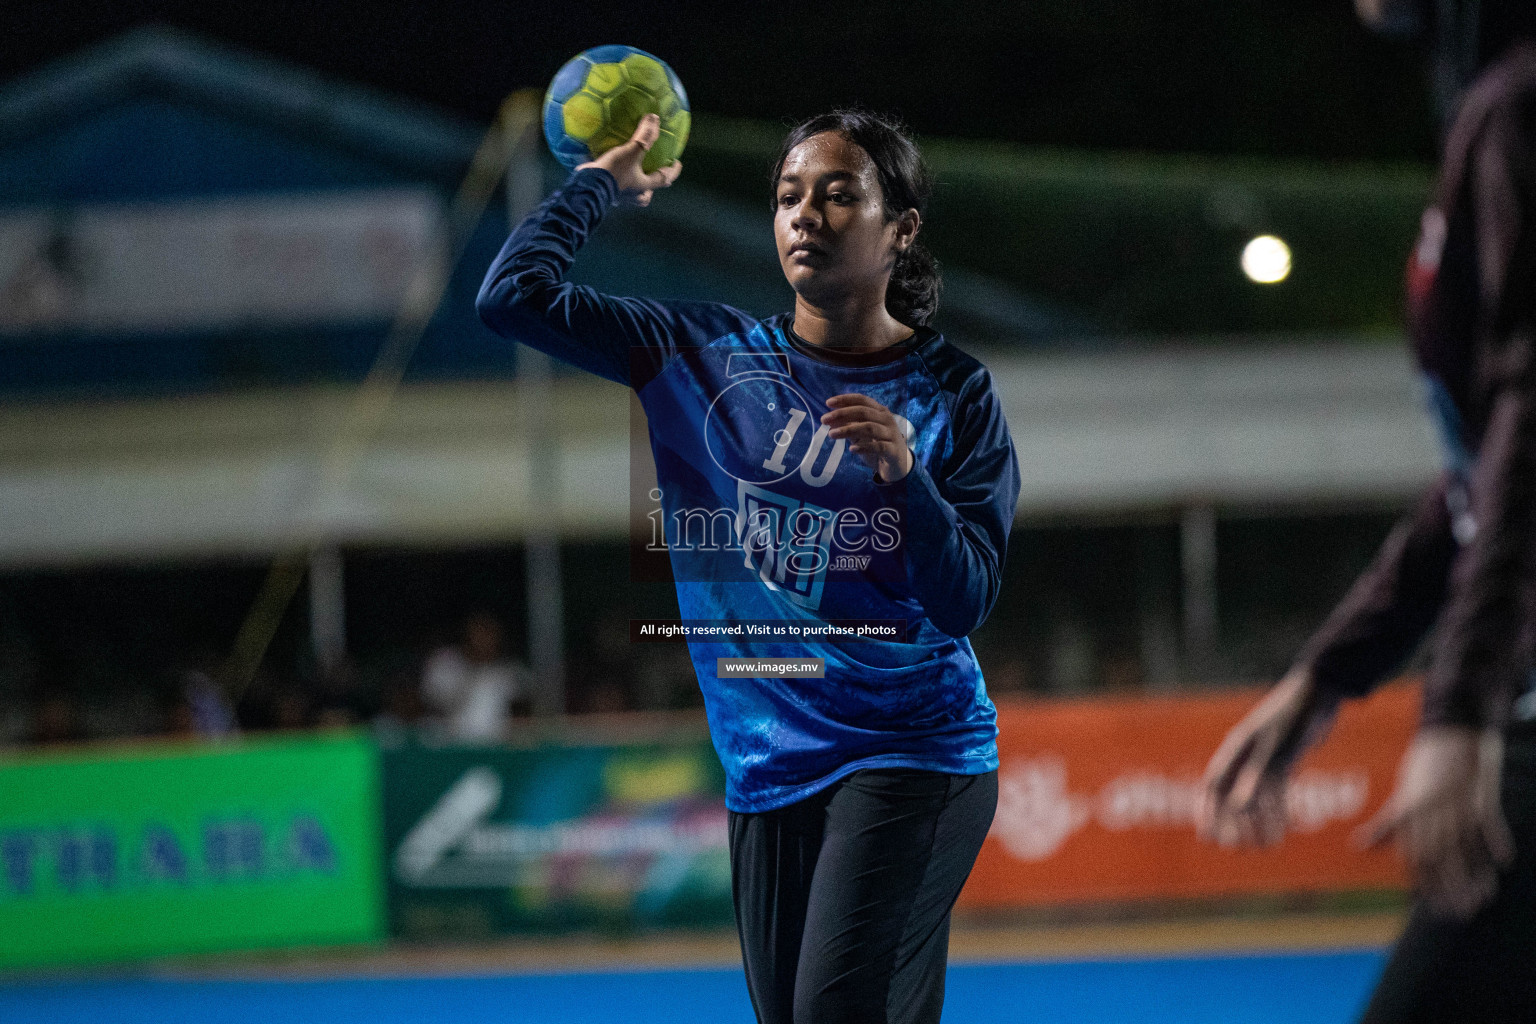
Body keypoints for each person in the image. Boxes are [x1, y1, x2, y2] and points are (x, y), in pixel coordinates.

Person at [477, 108, 1018, 1024]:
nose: (805, 214)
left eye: (840, 195)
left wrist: (905, 479)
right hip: (766, 770)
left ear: (903, 228)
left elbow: (965, 600)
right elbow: (509, 297)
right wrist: (598, 183)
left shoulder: (953, 392)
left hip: (914, 754)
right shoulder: (696, 356)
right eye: (788, 197)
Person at [1201, 4, 1536, 1021]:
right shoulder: (1492, 106)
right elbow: (1483, 468)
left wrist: (1462, 705)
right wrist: (1330, 670)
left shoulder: (1519, 108)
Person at [420, 610, 524, 742]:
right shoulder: (444, 663)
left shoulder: (509, 671)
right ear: (467, 634)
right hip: (447, 745)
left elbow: (523, 714)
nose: (484, 639)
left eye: (489, 633)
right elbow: (430, 705)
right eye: (479, 632)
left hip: (495, 748)